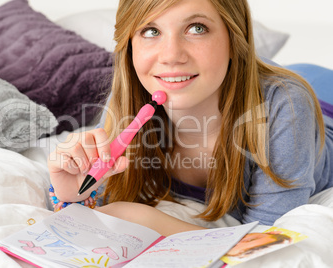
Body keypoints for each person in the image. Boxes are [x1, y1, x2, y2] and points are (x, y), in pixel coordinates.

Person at [48, 0, 333, 235]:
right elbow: (92, 202)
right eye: (150, 31)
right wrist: (73, 195)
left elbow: (264, 242)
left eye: (197, 28)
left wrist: (139, 218)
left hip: (321, 94)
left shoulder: (286, 107)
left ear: (236, 39)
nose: (171, 56)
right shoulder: (134, 94)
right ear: (130, 45)